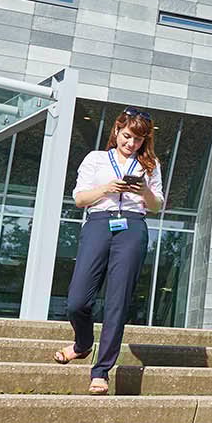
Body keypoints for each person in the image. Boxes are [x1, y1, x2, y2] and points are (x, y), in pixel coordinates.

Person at [56, 108, 166, 395]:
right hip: (98, 223)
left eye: (138, 140)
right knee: (77, 301)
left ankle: (101, 371)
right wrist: (107, 188)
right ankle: (82, 344)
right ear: (117, 131)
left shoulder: (150, 165)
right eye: (127, 136)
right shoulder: (96, 159)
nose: (131, 144)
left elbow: (157, 206)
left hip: (132, 227)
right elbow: (80, 199)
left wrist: (142, 192)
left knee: (117, 302)